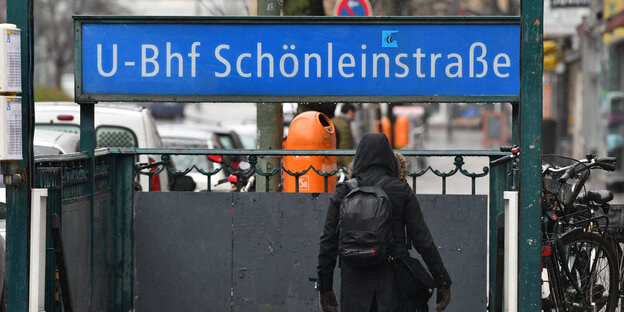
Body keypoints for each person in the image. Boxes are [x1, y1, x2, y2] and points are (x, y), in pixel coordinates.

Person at [317, 133, 451, 312]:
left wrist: (325, 287)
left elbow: (328, 242)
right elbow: (422, 240)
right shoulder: (400, 190)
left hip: (354, 287)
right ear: (389, 158)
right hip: (393, 286)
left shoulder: (344, 191)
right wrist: (442, 280)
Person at [331, 103, 356, 169]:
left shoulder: (332, 121)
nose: (354, 116)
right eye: (354, 113)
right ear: (350, 112)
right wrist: (350, 167)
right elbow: (345, 149)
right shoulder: (345, 125)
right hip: (339, 163)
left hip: (330, 160)